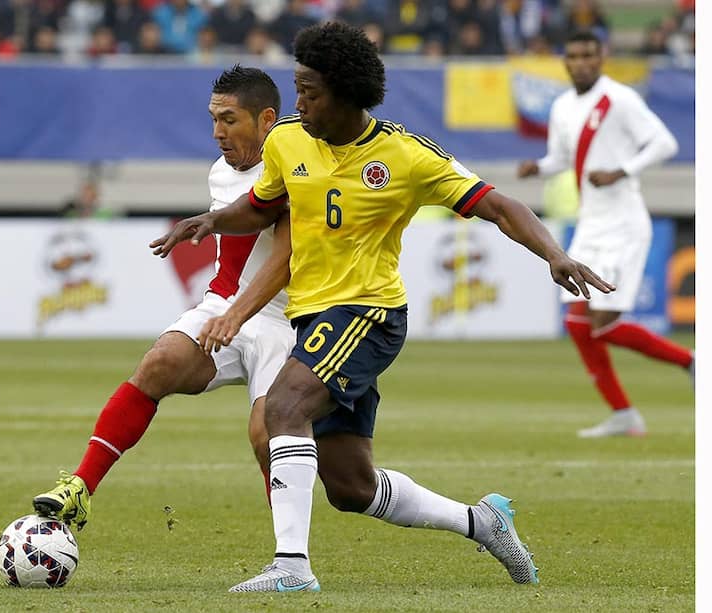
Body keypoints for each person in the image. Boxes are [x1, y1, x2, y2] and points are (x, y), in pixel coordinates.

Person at [151, 21, 614, 592]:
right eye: (297, 90)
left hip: (367, 313)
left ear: (344, 93)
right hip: (311, 318)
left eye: (309, 92)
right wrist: (212, 220)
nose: (298, 104)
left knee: (283, 407)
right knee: (350, 486)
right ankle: (482, 522)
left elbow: (498, 205)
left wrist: (555, 254)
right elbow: (262, 206)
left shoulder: (405, 155)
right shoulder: (288, 140)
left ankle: (291, 569)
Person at [33, 65, 292, 529]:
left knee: (267, 435)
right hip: (224, 306)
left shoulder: (296, 169)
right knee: (159, 363)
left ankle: (290, 552)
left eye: (229, 120)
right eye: (213, 119)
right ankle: (81, 487)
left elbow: (286, 258)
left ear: (266, 119)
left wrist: (237, 313)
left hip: (284, 319)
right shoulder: (221, 172)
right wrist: (227, 308)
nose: (217, 133)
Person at [517, 30, 692, 438]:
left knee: (603, 322)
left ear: (602, 58)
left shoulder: (619, 99)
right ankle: (623, 414)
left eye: (588, 56)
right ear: (565, 61)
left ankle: (691, 361)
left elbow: (664, 144)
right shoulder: (562, 106)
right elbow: (561, 158)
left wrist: (621, 171)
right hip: (591, 224)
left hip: (623, 223)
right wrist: (538, 167)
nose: (581, 63)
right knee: (578, 324)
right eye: (574, 56)